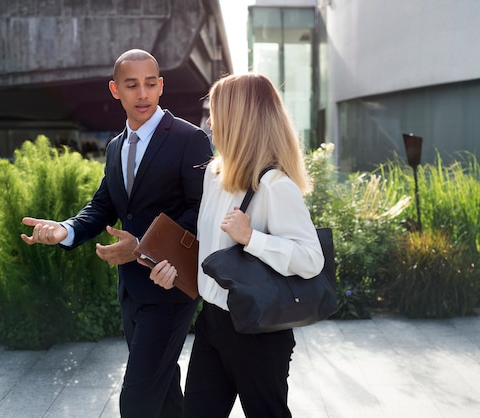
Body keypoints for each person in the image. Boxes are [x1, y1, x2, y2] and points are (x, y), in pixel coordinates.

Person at [20, 49, 213, 418]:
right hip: (131, 291)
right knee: (165, 392)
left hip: (170, 288)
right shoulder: (116, 146)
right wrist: (64, 230)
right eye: (132, 85)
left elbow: (200, 211)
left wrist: (142, 248)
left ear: (161, 87)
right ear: (115, 90)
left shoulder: (190, 139)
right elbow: (103, 205)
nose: (142, 94)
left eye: (150, 84)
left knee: (136, 400)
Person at [149, 73, 324, 418]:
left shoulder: (274, 184)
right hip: (213, 322)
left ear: (240, 119)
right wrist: (175, 272)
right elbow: (210, 251)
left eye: (216, 112)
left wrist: (251, 238)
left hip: (259, 332)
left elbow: (311, 259)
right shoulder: (215, 174)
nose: (209, 122)